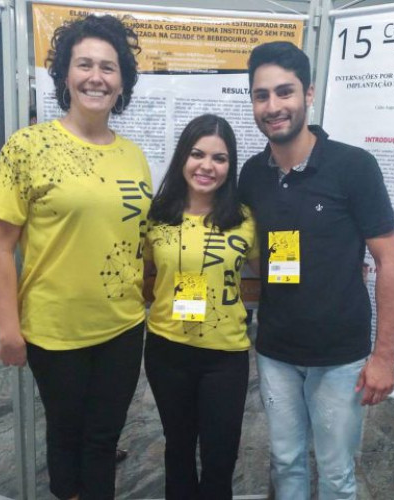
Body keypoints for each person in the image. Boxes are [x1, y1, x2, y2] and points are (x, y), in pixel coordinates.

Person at [0, 15, 152, 500]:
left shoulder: (134, 156)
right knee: (66, 434)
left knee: (103, 438)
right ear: (64, 74)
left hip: (123, 326)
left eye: (108, 67)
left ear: (122, 82)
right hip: (55, 330)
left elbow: (138, 240)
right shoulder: (28, 146)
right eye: (85, 64)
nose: (96, 76)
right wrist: (8, 329)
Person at [238, 41, 394, 500]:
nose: (273, 106)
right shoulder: (252, 175)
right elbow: (254, 255)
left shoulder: (353, 166)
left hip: (340, 357)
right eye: (262, 95)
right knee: (285, 463)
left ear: (308, 93)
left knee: (336, 475)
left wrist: (384, 357)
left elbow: (390, 260)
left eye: (284, 92)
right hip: (276, 353)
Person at [144, 114, 259, 500]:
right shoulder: (157, 215)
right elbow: (143, 275)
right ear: (183, 157)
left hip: (225, 357)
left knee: (219, 458)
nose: (207, 166)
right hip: (167, 351)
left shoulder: (244, 218)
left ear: (230, 165)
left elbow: (273, 274)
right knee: (177, 451)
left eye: (219, 158)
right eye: (197, 154)